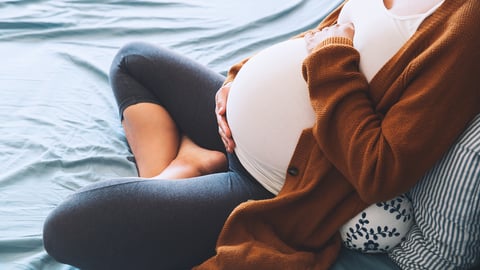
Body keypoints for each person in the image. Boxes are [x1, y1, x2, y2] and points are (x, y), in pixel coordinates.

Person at [42, 0, 480, 269]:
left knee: (68, 228)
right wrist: (239, 78)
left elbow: (381, 170)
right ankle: (190, 164)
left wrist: (329, 57)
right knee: (133, 59)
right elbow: (325, 34)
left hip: (278, 184)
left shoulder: (467, 25)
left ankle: (181, 168)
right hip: (231, 130)